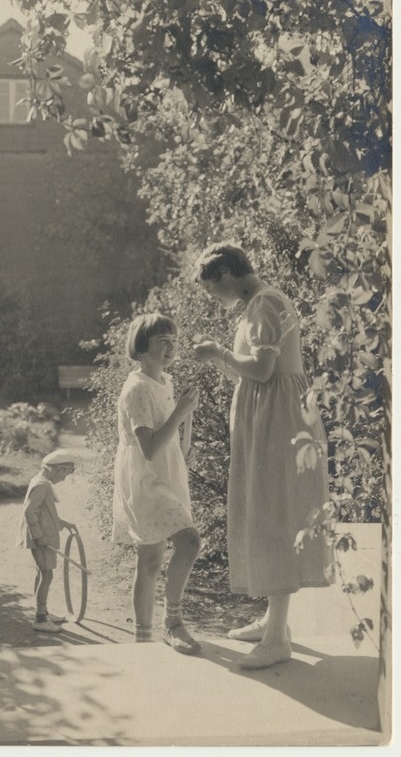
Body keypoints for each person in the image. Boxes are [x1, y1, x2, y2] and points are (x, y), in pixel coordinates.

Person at [192, 242, 333, 669]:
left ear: (227, 275)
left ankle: (277, 640)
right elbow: (246, 371)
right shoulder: (256, 304)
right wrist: (220, 359)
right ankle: (275, 622)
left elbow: (262, 371)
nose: (213, 297)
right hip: (268, 419)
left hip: (280, 424)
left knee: (275, 514)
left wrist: (218, 351)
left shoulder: (267, 303)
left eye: (212, 288)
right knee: (268, 510)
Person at [112, 313, 202, 655]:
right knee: (176, 547)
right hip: (145, 479)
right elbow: (148, 448)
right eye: (162, 341)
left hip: (166, 472)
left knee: (157, 555)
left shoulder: (165, 380)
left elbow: (165, 439)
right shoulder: (136, 389)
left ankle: (159, 629)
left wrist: (182, 451)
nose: (170, 347)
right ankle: (154, 631)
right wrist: (181, 411)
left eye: (174, 341)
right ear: (141, 348)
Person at [17, 448, 77, 632]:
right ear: (57, 469)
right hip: (41, 538)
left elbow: (44, 512)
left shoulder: (41, 481)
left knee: (42, 573)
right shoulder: (42, 485)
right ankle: (40, 619)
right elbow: (30, 512)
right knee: (47, 574)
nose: (63, 479)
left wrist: (61, 522)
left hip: (41, 535)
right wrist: (39, 536)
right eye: (65, 474)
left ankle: (42, 611)